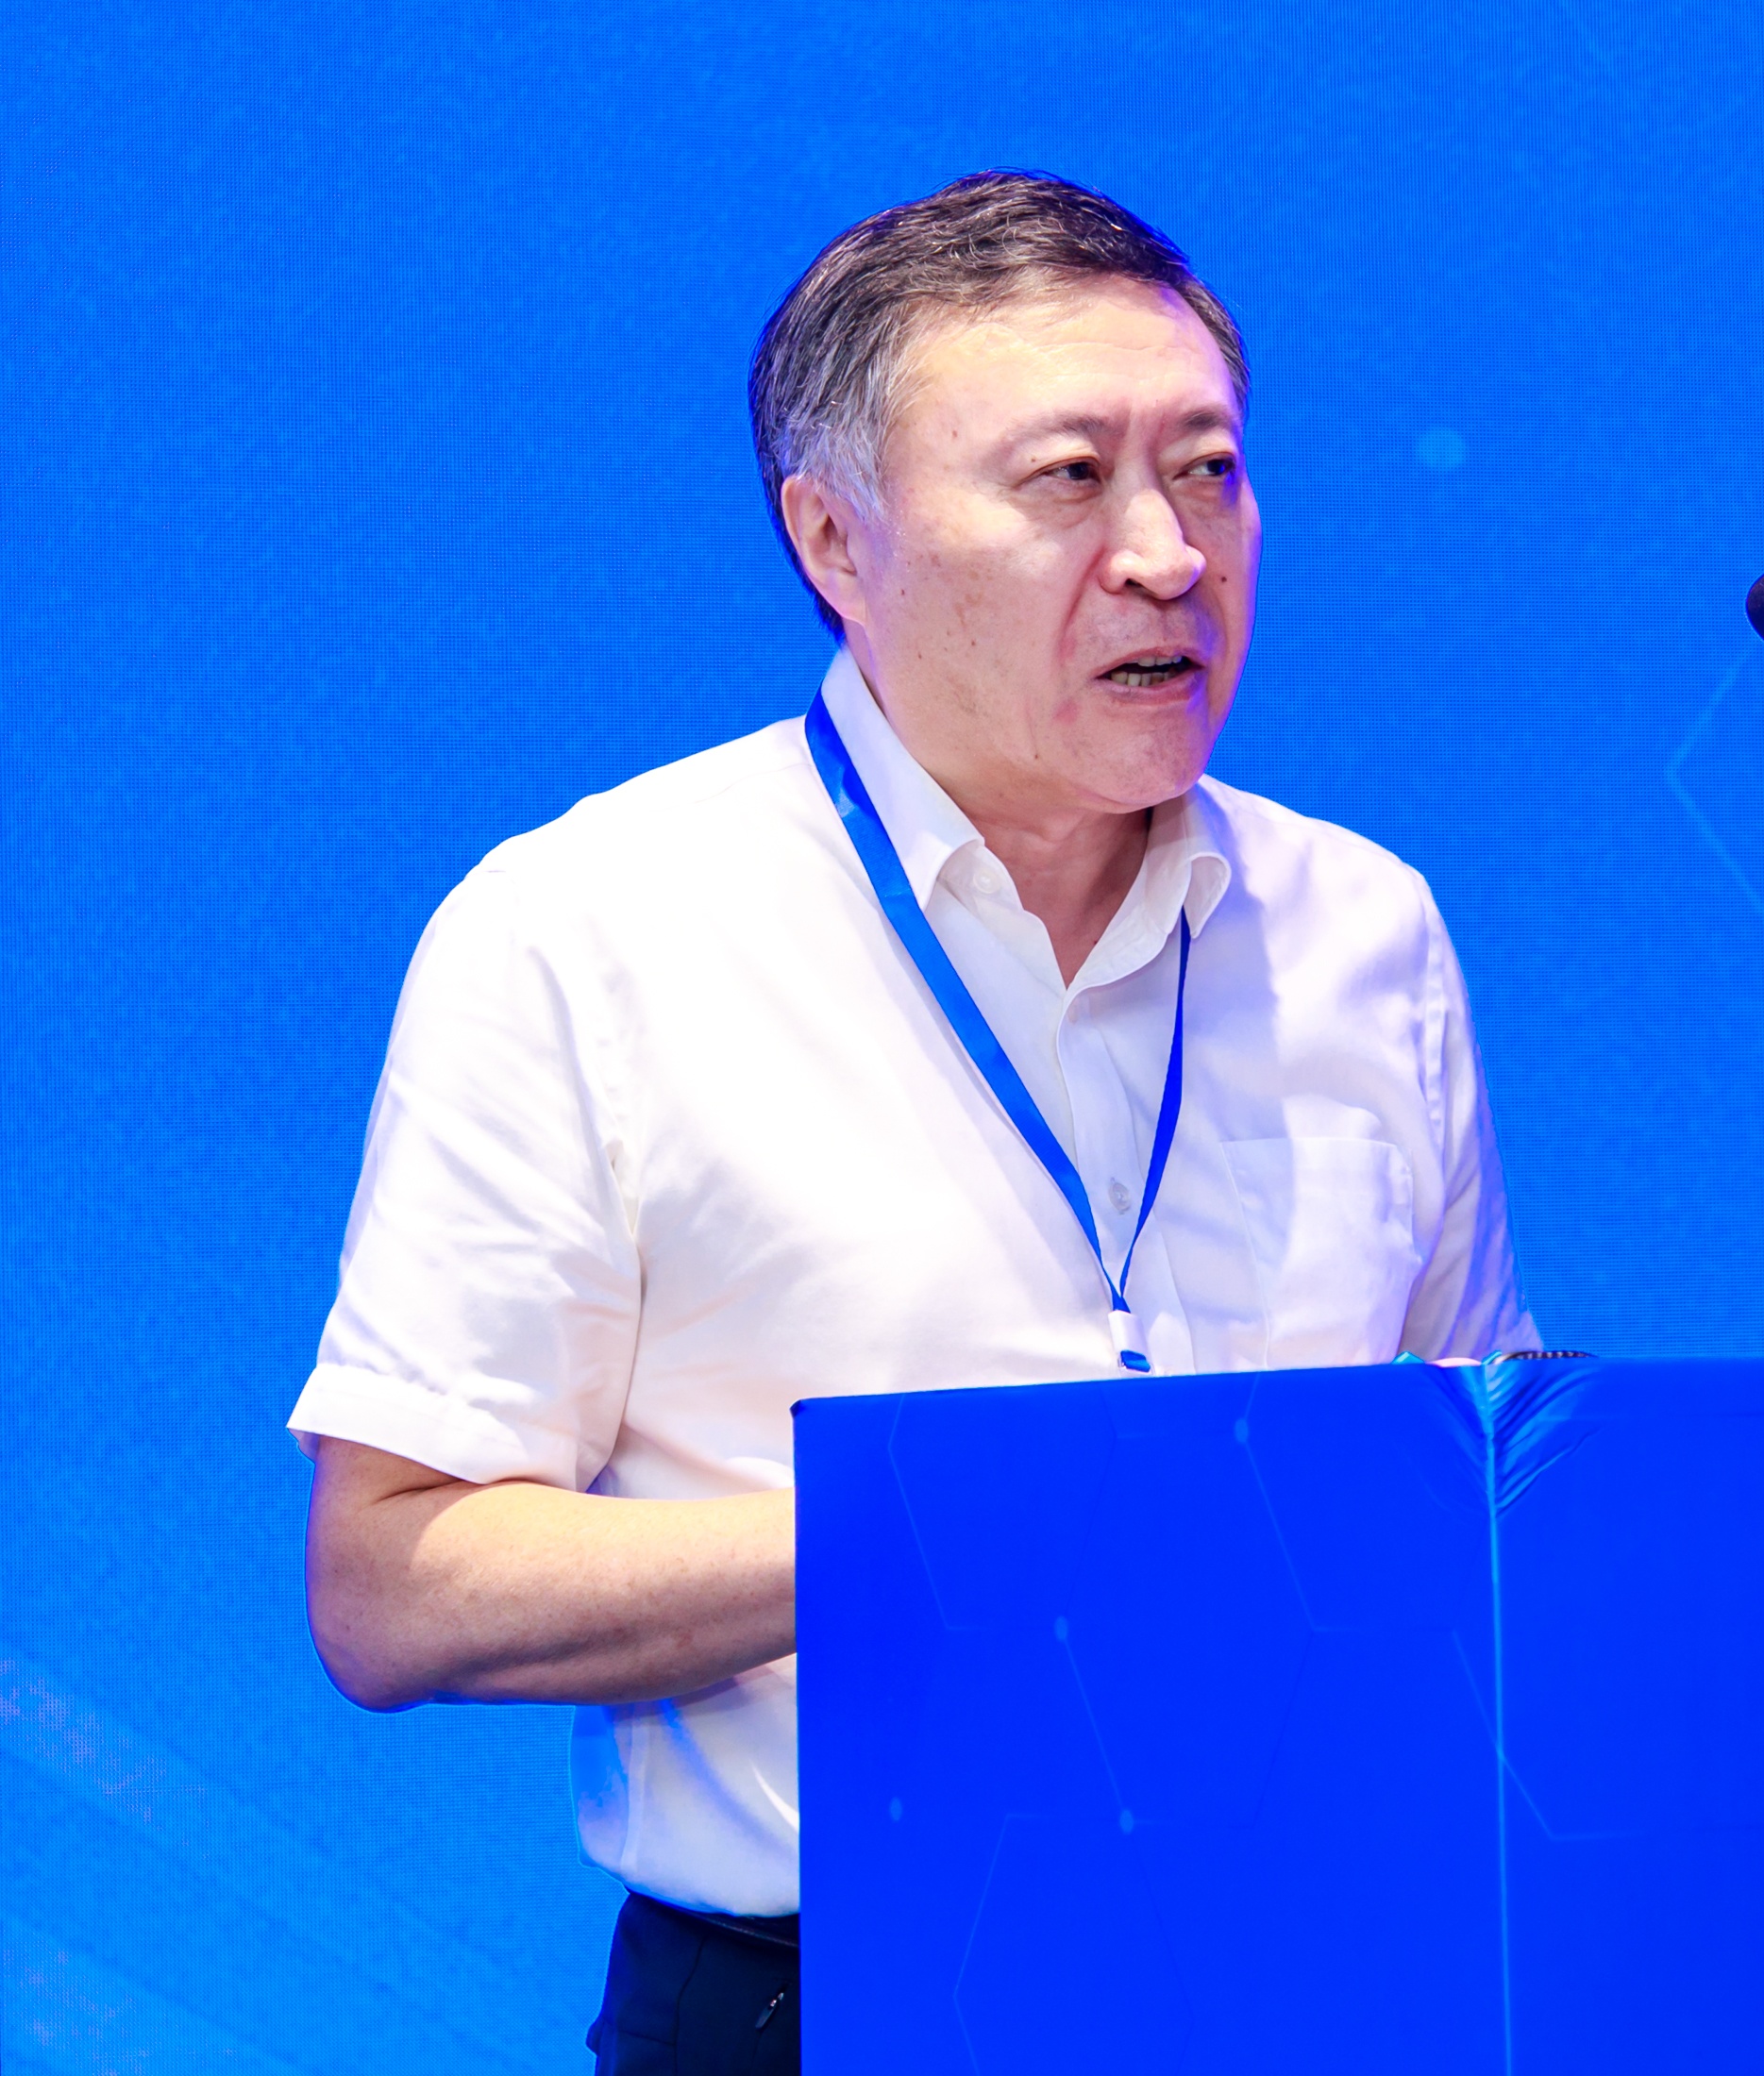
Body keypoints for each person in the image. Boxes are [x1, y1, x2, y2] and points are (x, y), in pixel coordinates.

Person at [290, 171, 1537, 2072]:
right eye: (1068, 481)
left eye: (1208, 471)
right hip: (826, 2003)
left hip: (1321, 1981)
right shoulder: (588, 932)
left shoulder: (1364, 930)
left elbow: (1474, 1481)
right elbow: (393, 1583)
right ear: (835, 538)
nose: (1168, 555)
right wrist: (934, 1529)